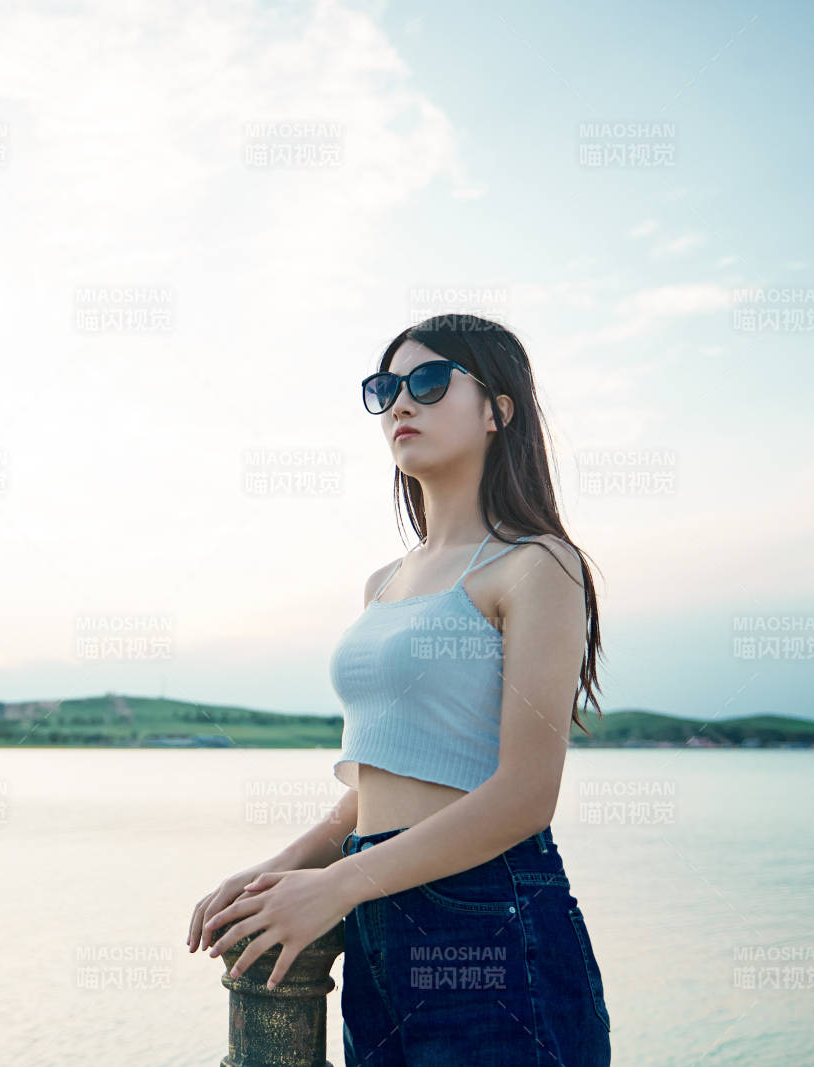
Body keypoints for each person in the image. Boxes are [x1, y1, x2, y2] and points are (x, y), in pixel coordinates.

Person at [185, 314, 612, 1065]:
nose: (401, 403)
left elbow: (526, 795)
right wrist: (286, 868)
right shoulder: (384, 582)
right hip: (377, 913)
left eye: (430, 381)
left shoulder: (537, 563)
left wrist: (337, 886)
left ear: (498, 410)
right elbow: (378, 784)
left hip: (489, 921)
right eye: (386, 389)